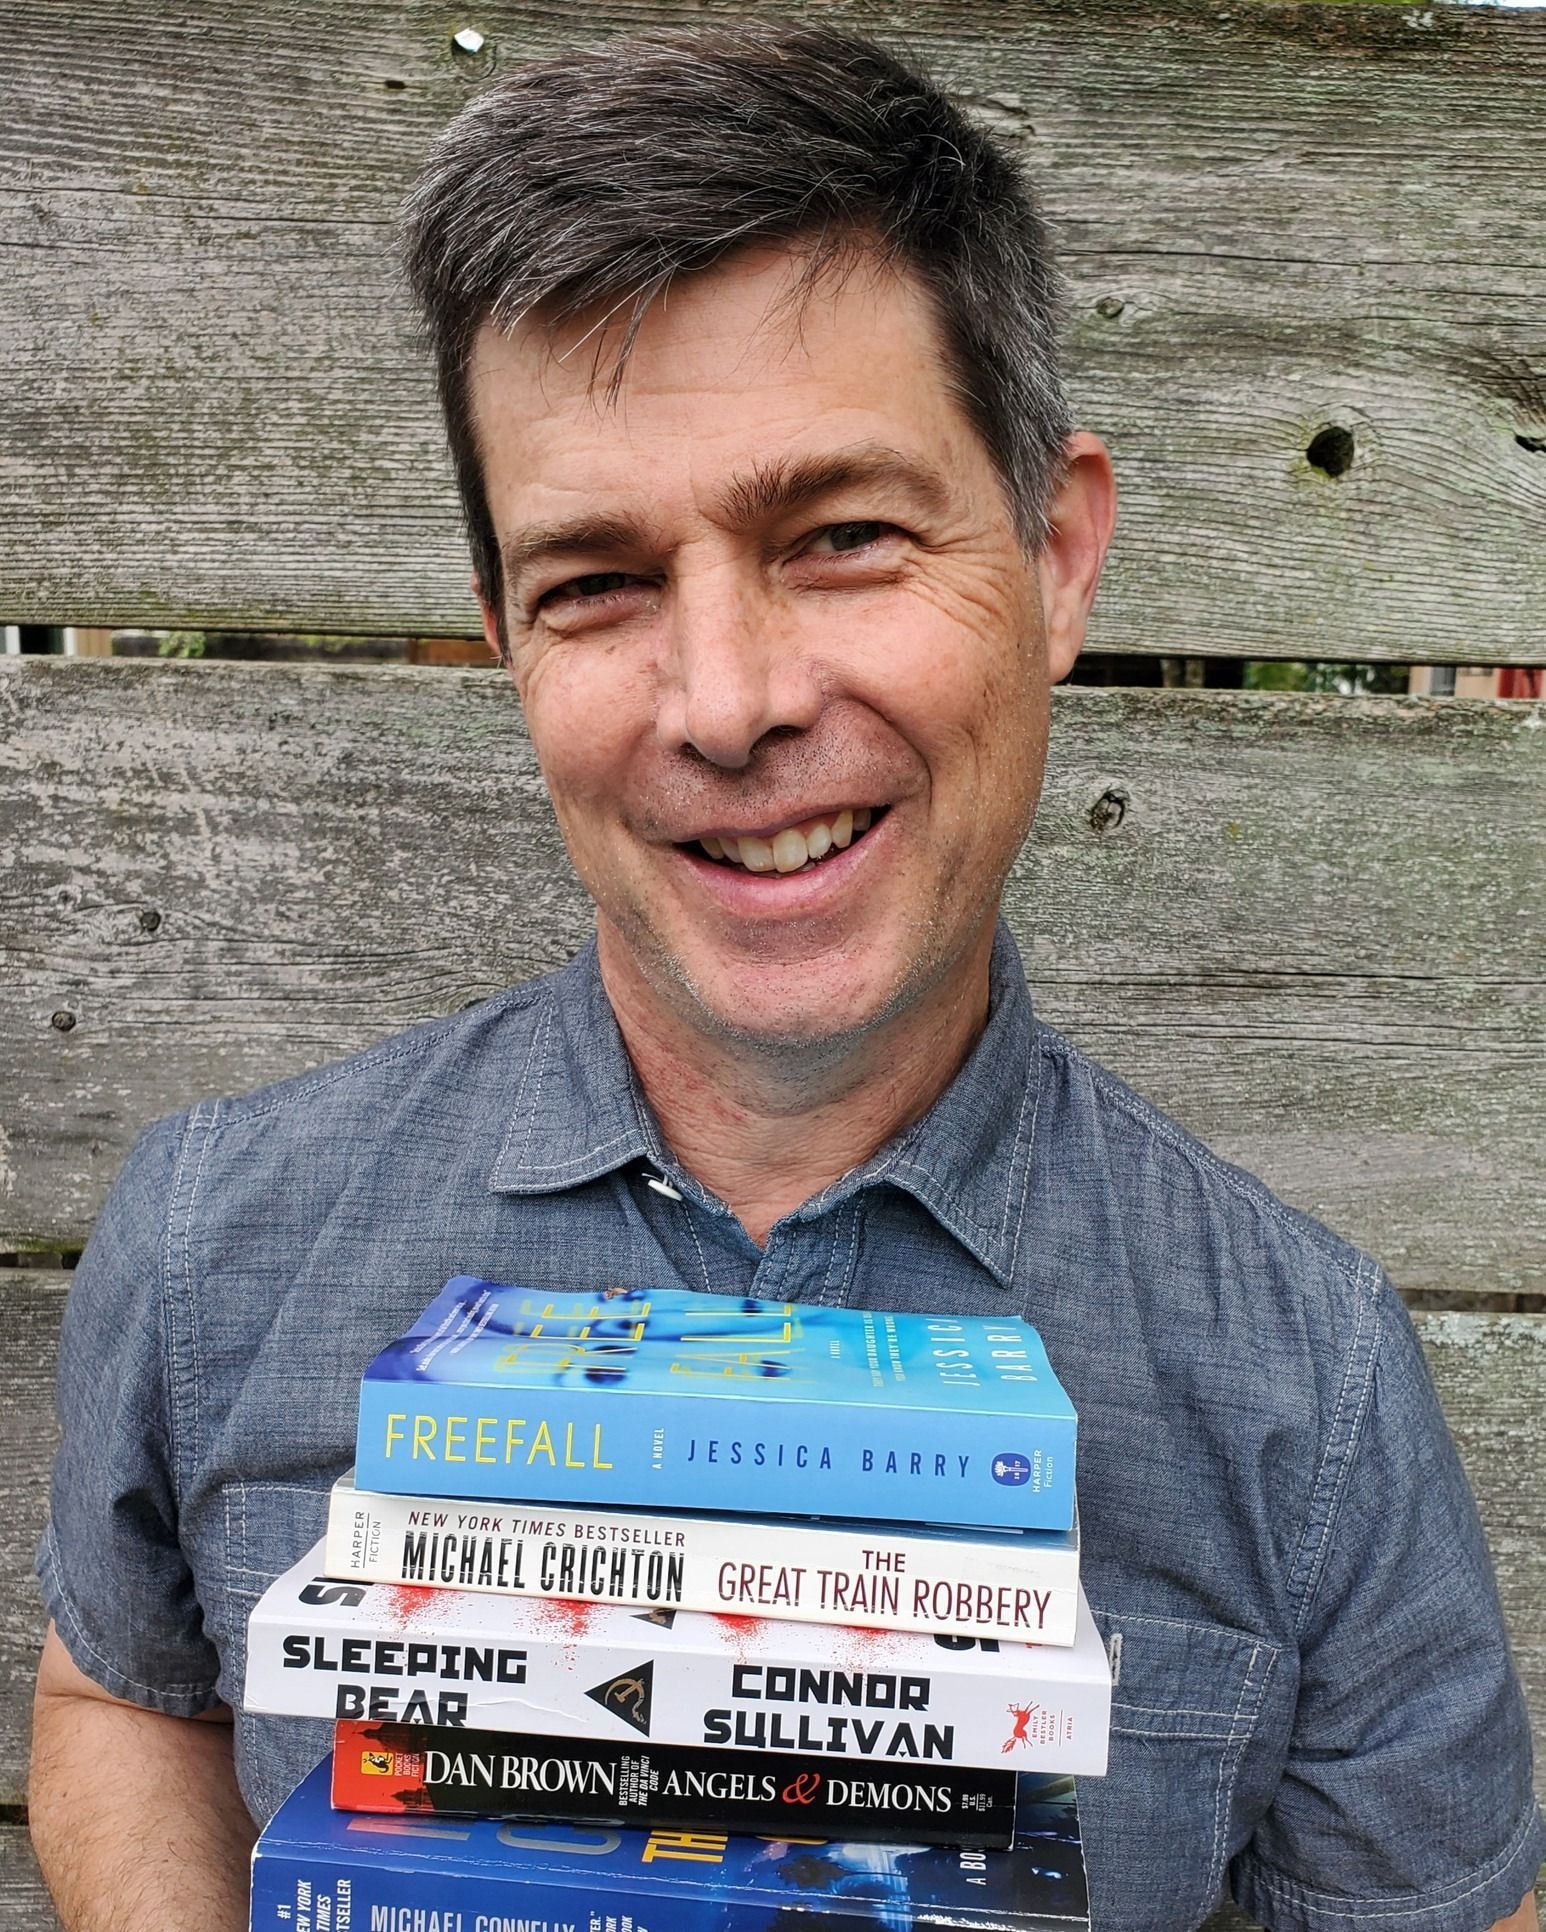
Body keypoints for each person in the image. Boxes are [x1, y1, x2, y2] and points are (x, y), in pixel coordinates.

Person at [28, 21, 1542, 1932]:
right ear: (504, 638)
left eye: (838, 536)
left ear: (1058, 557)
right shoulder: (206, 1241)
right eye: (594, 579)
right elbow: (121, 1694)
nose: (729, 702)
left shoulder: (1303, 1386)